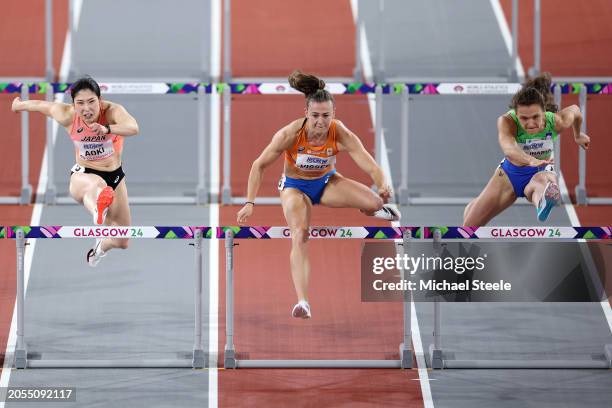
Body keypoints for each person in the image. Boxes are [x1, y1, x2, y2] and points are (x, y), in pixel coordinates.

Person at [236, 70, 400, 319]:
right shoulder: (289, 134)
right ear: (306, 114)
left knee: (374, 202)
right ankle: (303, 301)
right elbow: (258, 165)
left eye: (325, 116)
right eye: (315, 116)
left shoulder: (340, 133)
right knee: (300, 234)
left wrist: (382, 185)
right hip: (294, 187)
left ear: (334, 115)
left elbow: (370, 165)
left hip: (326, 183)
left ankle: (371, 206)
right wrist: (249, 202)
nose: (320, 122)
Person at [11, 76, 139, 266]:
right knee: (97, 185)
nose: (86, 109)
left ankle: (98, 250)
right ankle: (97, 207)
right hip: (84, 175)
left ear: (100, 100)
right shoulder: (67, 115)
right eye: (80, 103)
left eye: (91, 102)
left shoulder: (113, 111)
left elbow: (133, 127)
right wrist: (18, 105)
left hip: (115, 176)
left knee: (122, 240)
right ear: (73, 104)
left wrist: (106, 129)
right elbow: (41, 105)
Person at [463, 73, 590, 227]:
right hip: (510, 174)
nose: (530, 124)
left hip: (541, 171)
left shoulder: (556, 121)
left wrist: (578, 135)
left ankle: (542, 201)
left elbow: (576, 111)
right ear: (516, 115)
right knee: (470, 225)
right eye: (524, 118)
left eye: (536, 117)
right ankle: (473, 208)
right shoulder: (507, 121)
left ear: (544, 112)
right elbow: (508, 148)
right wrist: (530, 160)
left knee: (542, 183)